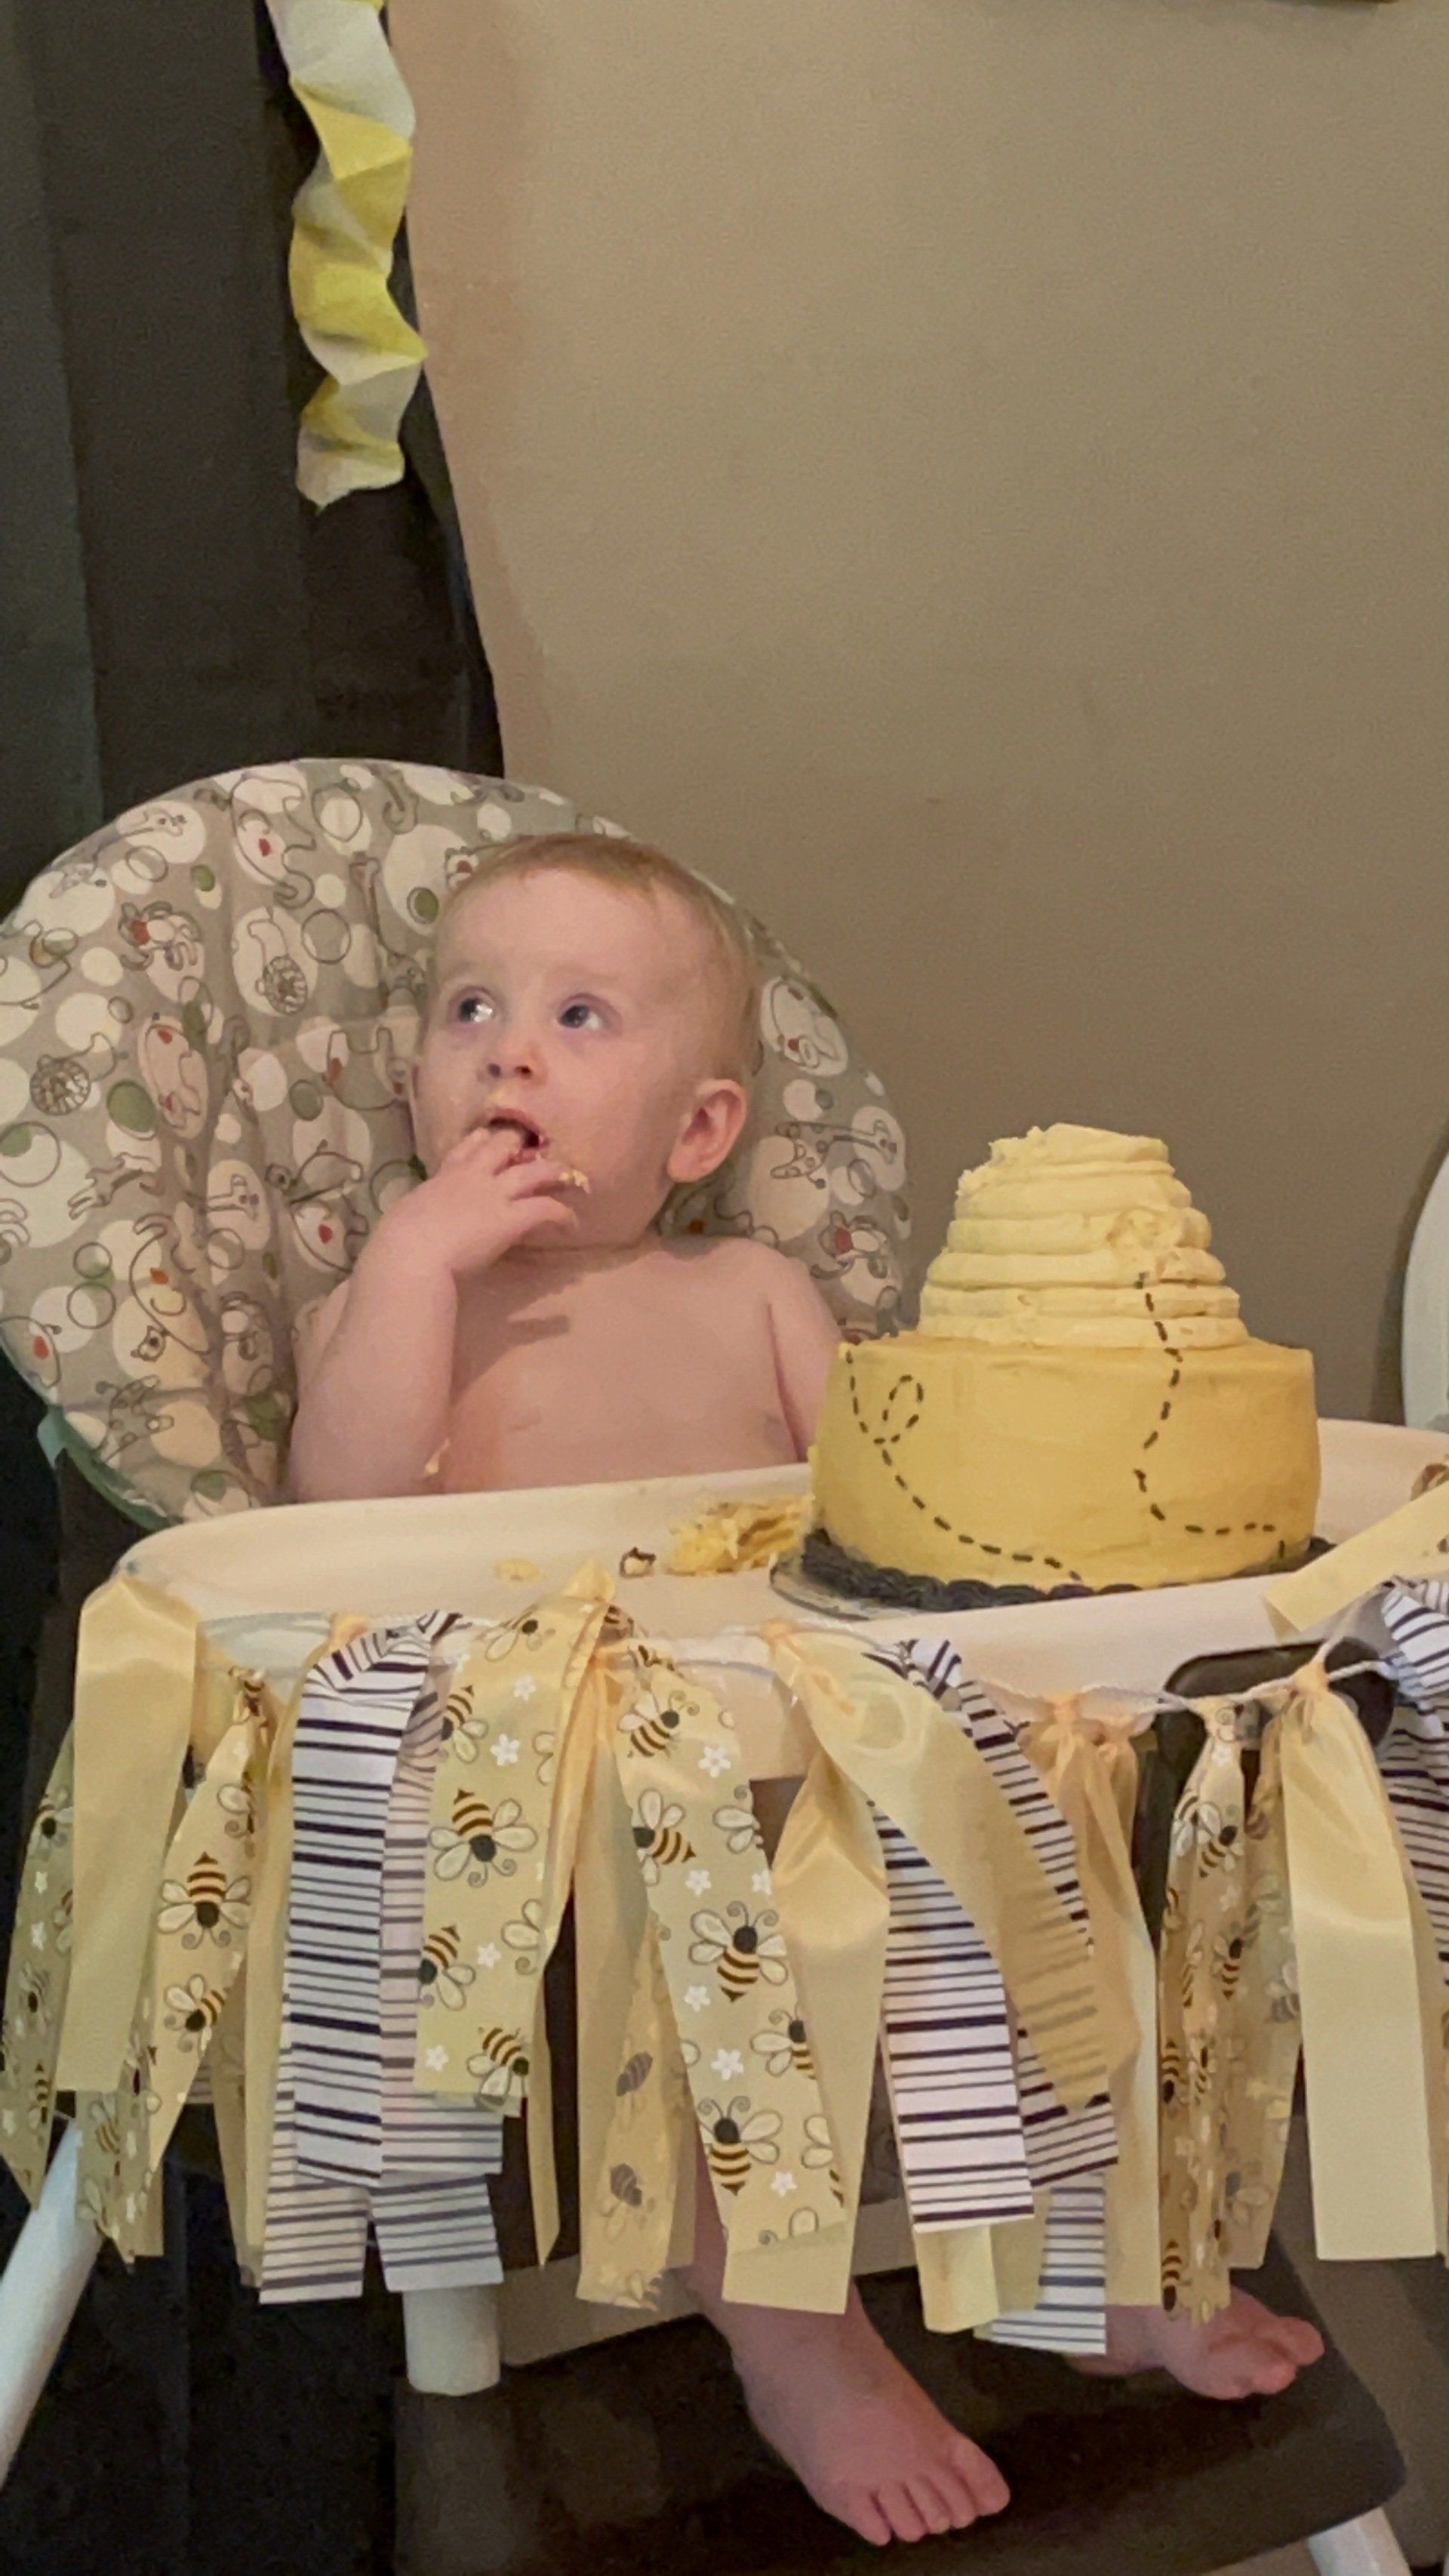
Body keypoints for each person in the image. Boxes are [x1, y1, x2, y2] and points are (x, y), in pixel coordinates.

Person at [290, 833, 1323, 2547]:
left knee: (1043, 1888)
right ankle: (788, 2317)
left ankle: (1094, 2249)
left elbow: (882, 1506)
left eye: (576, 1014)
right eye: (468, 1008)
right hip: (571, 1788)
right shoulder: (401, 1307)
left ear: (700, 1132)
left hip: (819, 1742)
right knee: (699, 1946)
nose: (509, 1052)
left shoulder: (749, 1290)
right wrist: (413, 1266)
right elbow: (340, 1519)